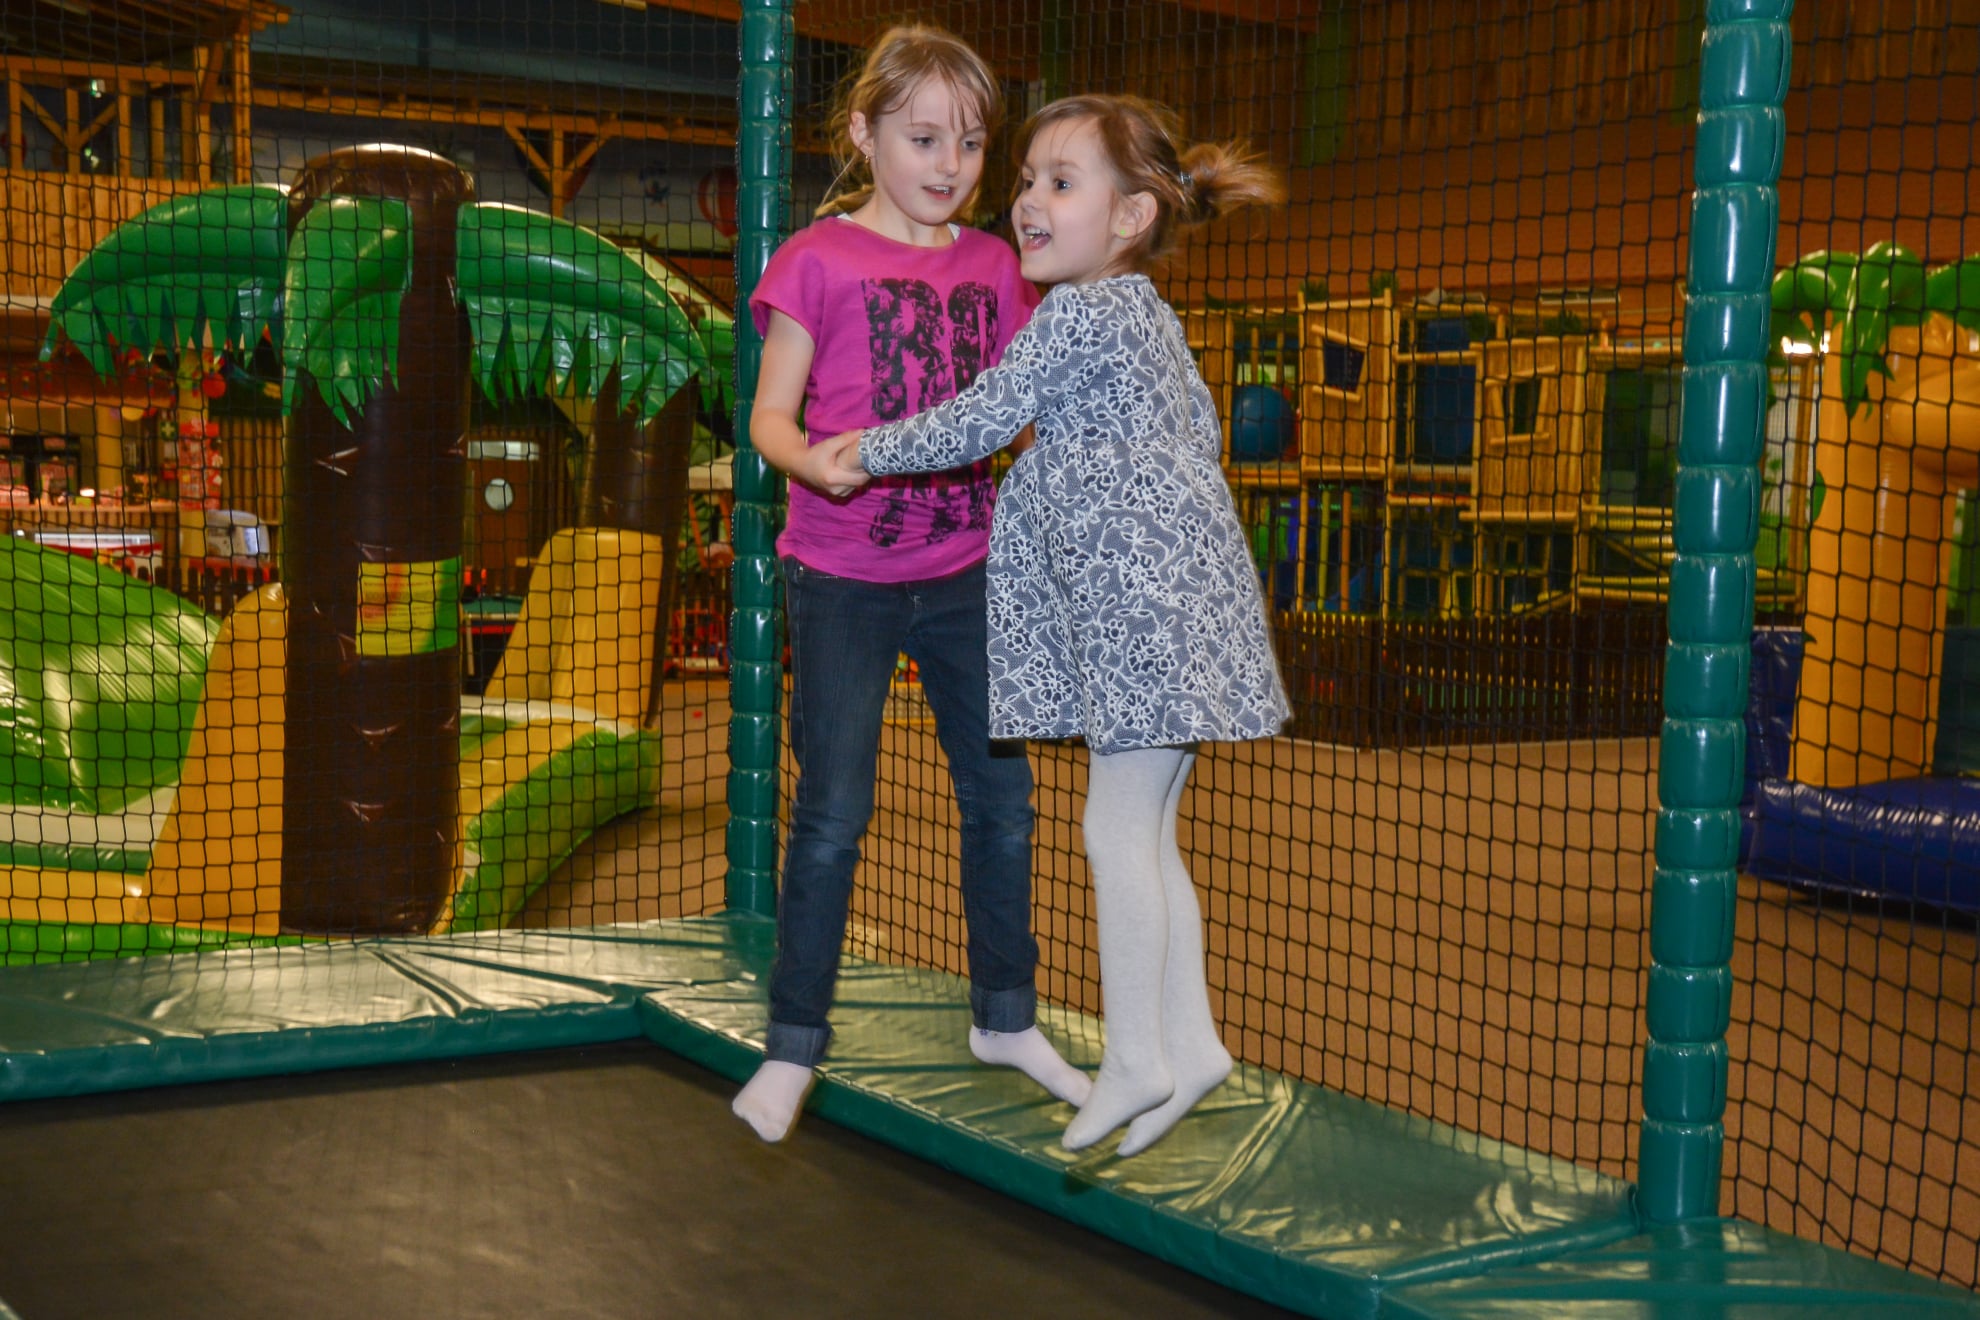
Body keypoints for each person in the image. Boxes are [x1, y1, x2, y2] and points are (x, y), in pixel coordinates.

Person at [803, 94, 1290, 1157]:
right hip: (1186, 608)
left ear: (1129, 219)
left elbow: (983, 415)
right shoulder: (1149, 315)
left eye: (1058, 183)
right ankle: (1193, 1042)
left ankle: (1134, 1060)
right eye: (1026, 178)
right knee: (1150, 833)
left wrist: (861, 448)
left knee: (1112, 832)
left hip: (1143, 614)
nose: (1026, 199)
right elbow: (1199, 432)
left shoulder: (1078, 315)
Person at [732, 25, 1091, 1144]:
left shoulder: (994, 268)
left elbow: (1037, 396)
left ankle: (1005, 1014)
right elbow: (769, 419)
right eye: (924, 137)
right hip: (842, 579)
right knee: (834, 814)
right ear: (864, 134)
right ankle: (795, 1042)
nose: (950, 165)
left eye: (972, 144)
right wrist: (814, 462)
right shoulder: (817, 260)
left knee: (1005, 803)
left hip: (964, 575)